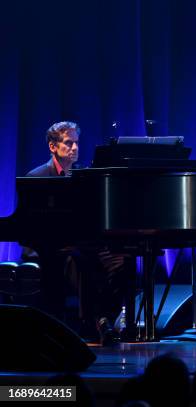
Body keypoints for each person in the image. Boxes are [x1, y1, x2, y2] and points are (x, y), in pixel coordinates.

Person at [25, 121, 130, 345]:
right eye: (68, 143)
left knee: (123, 263)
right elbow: (30, 228)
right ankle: (97, 322)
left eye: (76, 143)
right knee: (80, 261)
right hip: (52, 250)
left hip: (83, 245)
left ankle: (106, 320)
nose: (74, 148)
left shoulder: (82, 177)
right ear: (53, 147)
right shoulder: (37, 177)